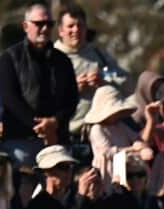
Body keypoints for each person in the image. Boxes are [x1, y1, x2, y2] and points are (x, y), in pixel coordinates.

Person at [0, 3, 77, 165]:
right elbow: (9, 98)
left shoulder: (63, 60)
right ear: (26, 26)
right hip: (21, 141)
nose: (45, 28)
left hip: (56, 140)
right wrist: (38, 126)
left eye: (49, 24)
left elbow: (72, 99)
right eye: (39, 23)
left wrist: (55, 122)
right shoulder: (10, 58)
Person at [55, 2, 129, 137]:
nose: (76, 30)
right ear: (60, 30)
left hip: (103, 131)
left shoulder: (100, 55)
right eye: (70, 26)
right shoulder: (52, 58)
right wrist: (72, 89)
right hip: (68, 134)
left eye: (80, 25)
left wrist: (104, 82)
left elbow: (127, 84)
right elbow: (42, 97)